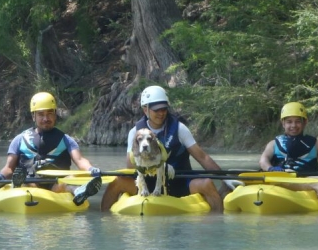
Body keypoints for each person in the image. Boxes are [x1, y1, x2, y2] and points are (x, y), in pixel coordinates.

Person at [100, 85, 237, 212]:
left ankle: (219, 223)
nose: (161, 113)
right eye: (156, 110)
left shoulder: (179, 129)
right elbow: (131, 167)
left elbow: (203, 158)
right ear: (145, 109)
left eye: (164, 109)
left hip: (179, 180)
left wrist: (225, 178)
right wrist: (143, 154)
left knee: (206, 183)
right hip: (147, 183)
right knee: (117, 182)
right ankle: (104, 219)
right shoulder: (135, 133)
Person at [0, 92, 102, 206]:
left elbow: (80, 160)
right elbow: (9, 167)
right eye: (41, 114)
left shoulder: (66, 140)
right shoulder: (19, 140)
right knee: (23, 178)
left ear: (55, 115)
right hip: (30, 183)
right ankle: (18, 185)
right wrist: (1, 176)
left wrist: (91, 169)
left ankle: (79, 192)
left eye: (49, 114)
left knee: (71, 177)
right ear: (33, 116)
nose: (46, 118)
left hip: (56, 187)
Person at [259, 101, 318, 211]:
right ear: (283, 123)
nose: (293, 126)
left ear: (304, 122)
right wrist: (271, 168)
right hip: (281, 179)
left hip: (306, 181)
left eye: (297, 122)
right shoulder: (274, 143)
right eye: (289, 122)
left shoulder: (315, 144)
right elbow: (263, 160)